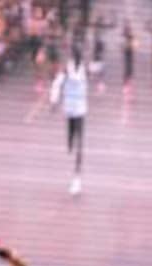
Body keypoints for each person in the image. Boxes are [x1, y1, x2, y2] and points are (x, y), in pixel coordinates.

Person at [51, 48, 91, 196]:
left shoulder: (85, 69)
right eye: (77, 56)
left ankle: (77, 177)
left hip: (80, 109)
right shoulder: (66, 69)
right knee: (70, 137)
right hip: (69, 108)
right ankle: (70, 145)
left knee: (80, 143)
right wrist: (54, 101)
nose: (79, 58)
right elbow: (57, 83)